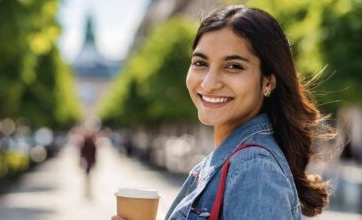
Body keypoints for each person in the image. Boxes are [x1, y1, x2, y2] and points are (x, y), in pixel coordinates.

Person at [113, 5, 335, 220]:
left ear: (268, 81)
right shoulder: (230, 160)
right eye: (200, 63)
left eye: (233, 66)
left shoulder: (254, 170)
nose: (209, 84)